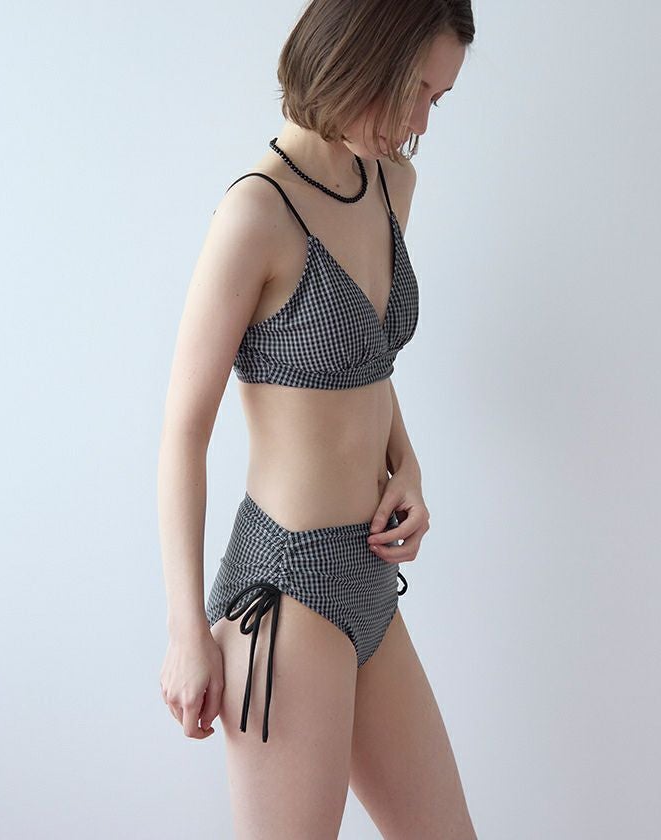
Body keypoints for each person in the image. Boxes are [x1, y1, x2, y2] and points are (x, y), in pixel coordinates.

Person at [158, 1, 478, 836]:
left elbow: (367, 366)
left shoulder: (391, 185)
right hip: (285, 593)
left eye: (437, 100)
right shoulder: (256, 215)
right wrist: (186, 631)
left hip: (370, 577)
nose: (419, 123)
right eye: (413, 91)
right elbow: (183, 433)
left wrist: (408, 467)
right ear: (359, 56)